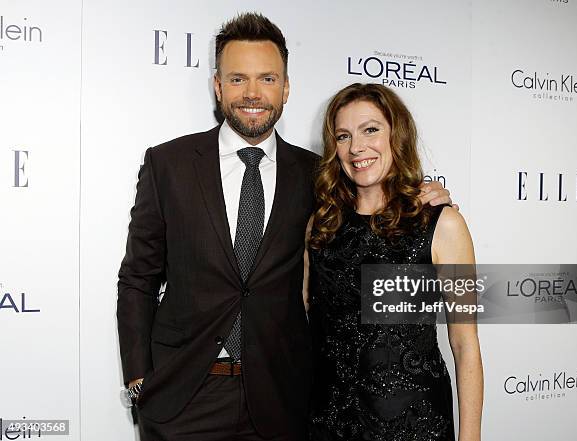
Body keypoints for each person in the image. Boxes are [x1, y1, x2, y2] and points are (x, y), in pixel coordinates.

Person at [117, 13, 453, 441]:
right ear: (218, 86)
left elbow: (376, 217)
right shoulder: (169, 164)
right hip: (183, 398)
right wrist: (138, 379)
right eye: (238, 79)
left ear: (286, 88)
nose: (253, 93)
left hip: (282, 400)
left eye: (268, 79)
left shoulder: (321, 176)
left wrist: (428, 198)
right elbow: (138, 279)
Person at [306, 83, 483, 441]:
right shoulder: (321, 226)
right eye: (343, 136)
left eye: (371, 129)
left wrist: (471, 437)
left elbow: (465, 344)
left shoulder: (441, 225)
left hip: (414, 426)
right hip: (330, 425)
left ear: (396, 135)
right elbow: (306, 318)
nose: (357, 147)